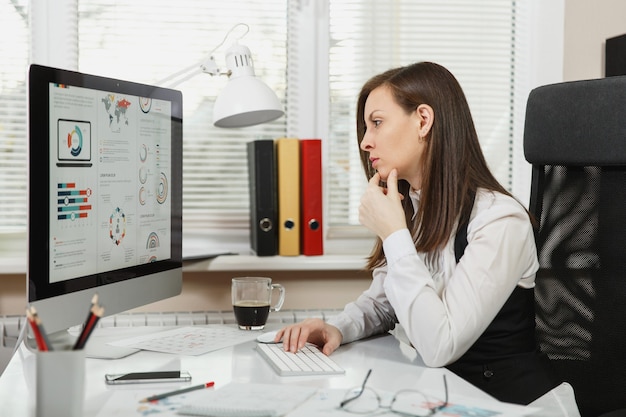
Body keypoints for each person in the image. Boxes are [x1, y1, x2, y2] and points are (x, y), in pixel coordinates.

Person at [276, 61, 561, 405]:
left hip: (506, 405)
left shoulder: (499, 220)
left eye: (377, 123)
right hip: (440, 395)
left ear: (423, 120)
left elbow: (440, 345)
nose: (366, 142)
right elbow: (384, 305)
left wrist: (395, 235)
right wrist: (337, 327)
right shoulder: (414, 207)